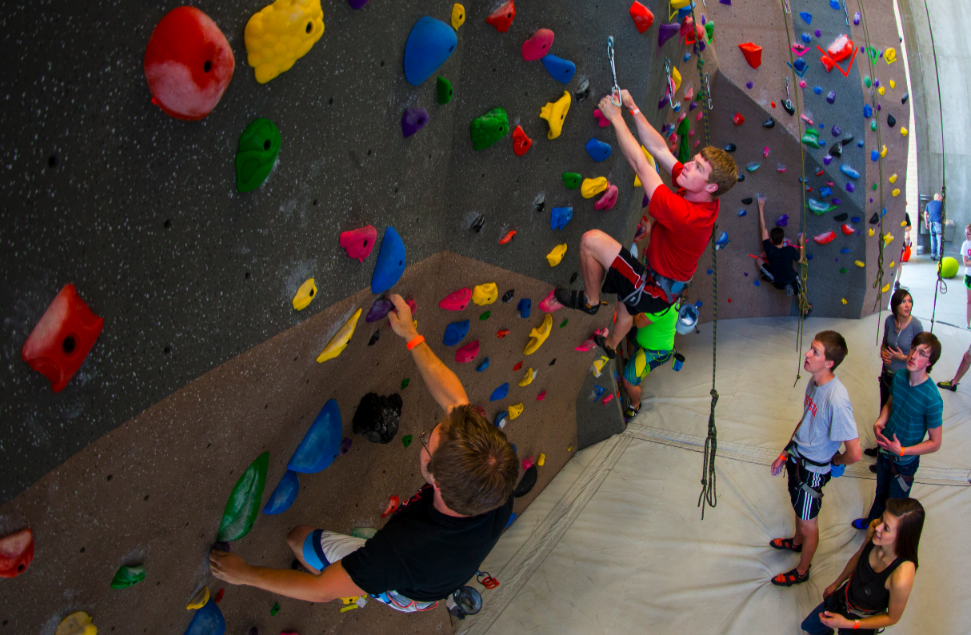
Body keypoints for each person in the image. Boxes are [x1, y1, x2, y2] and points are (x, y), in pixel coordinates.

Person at [209, 294, 519, 612]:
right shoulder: (495, 473)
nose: (425, 435)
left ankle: (359, 583)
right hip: (433, 572)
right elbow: (456, 401)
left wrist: (245, 574)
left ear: (437, 481)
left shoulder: (400, 551)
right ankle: (357, 576)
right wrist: (412, 336)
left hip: (405, 589)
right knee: (353, 561)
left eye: (427, 442)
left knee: (298, 539)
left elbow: (321, 590)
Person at [553, 89, 737, 360]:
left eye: (697, 168)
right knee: (626, 306)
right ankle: (611, 346)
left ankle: (591, 301)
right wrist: (633, 106)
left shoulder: (687, 216)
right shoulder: (704, 196)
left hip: (652, 286)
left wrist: (616, 117)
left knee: (591, 241)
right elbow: (660, 149)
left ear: (710, 185)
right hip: (664, 286)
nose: (687, 166)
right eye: (694, 160)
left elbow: (641, 165)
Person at [769, 331, 862, 587]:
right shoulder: (814, 381)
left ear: (829, 362)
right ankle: (797, 543)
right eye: (810, 348)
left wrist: (834, 463)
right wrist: (785, 451)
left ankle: (802, 571)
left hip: (813, 472)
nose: (807, 355)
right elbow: (805, 421)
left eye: (815, 352)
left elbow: (855, 452)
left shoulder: (837, 400)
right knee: (799, 509)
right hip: (798, 460)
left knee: (809, 525)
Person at [853, 332, 943, 530]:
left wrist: (902, 451)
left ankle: (885, 536)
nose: (913, 356)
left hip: (904, 464)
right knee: (880, 494)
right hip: (885, 452)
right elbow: (891, 403)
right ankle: (871, 524)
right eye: (913, 349)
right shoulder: (900, 376)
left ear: (930, 362)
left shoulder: (932, 399)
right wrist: (880, 421)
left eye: (922, 354)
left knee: (896, 506)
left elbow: (935, 443)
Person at [801, 498, 924, 635]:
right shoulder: (876, 533)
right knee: (811, 626)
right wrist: (837, 583)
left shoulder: (902, 576)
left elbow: (892, 618)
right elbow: (859, 556)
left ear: (903, 537)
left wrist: (848, 624)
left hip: (862, 624)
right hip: (844, 598)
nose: (878, 527)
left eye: (886, 528)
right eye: (882, 519)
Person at [619, 303, 679, 420]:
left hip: (653, 351)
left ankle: (635, 404)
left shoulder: (663, 306)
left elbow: (638, 321)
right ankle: (632, 361)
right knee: (631, 336)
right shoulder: (670, 297)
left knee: (628, 382)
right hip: (646, 338)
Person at [755, 194, 811, 315]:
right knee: (799, 288)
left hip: (777, 282)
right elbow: (801, 260)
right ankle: (805, 309)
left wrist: (761, 207)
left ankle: (768, 275)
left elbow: (762, 228)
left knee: (758, 260)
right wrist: (801, 245)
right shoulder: (790, 250)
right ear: (783, 239)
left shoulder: (768, 248)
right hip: (791, 279)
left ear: (771, 239)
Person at [923, 193, 943, 260]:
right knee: (939, 240)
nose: (941, 200)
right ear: (938, 197)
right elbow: (943, 214)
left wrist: (926, 223)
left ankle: (933, 255)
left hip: (931, 223)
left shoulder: (929, 204)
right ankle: (939, 255)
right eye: (940, 198)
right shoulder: (940, 204)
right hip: (938, 223)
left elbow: (925, 214)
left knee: (933, 239)